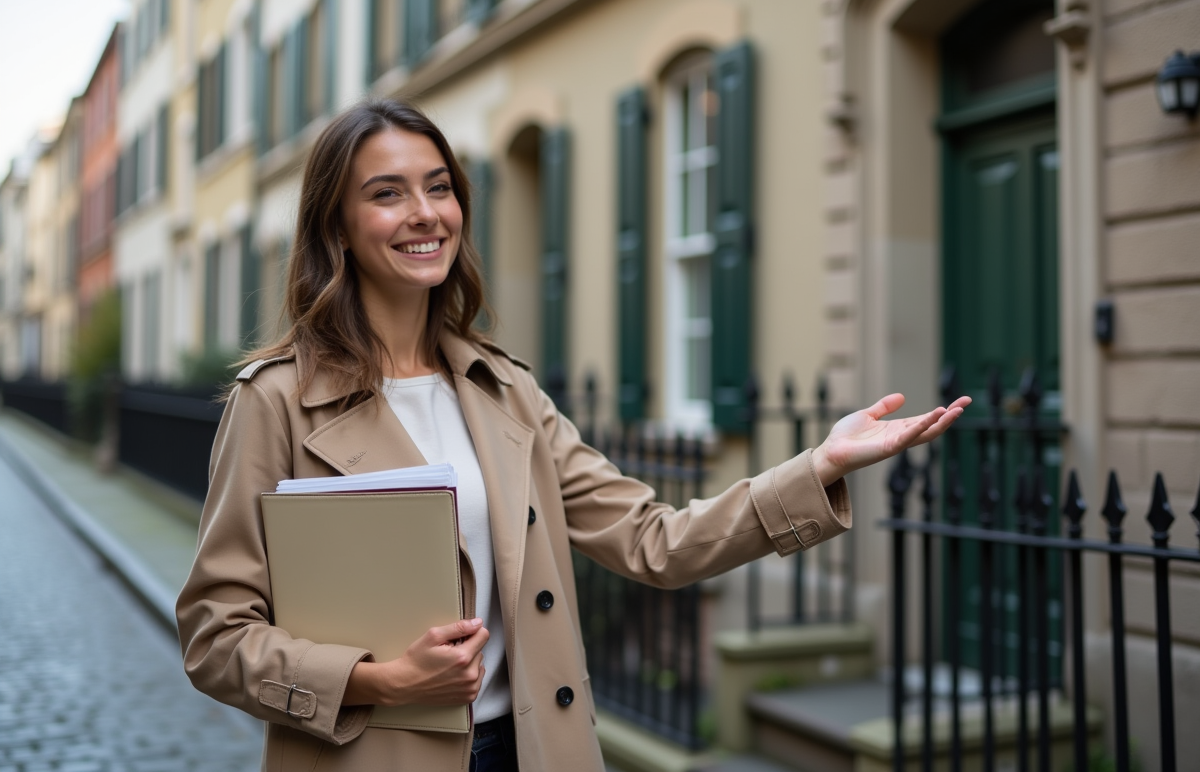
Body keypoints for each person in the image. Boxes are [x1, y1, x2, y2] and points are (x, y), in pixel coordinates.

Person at [175, 99, 969, 772]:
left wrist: (819, 465)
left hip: (532, 750)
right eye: (387, 194)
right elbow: (216, 635)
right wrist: (378, 681)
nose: (424, 213)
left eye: (439, 187)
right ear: (339, 228)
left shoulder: (505, 389)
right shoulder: (277, 402)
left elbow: (653, 540)